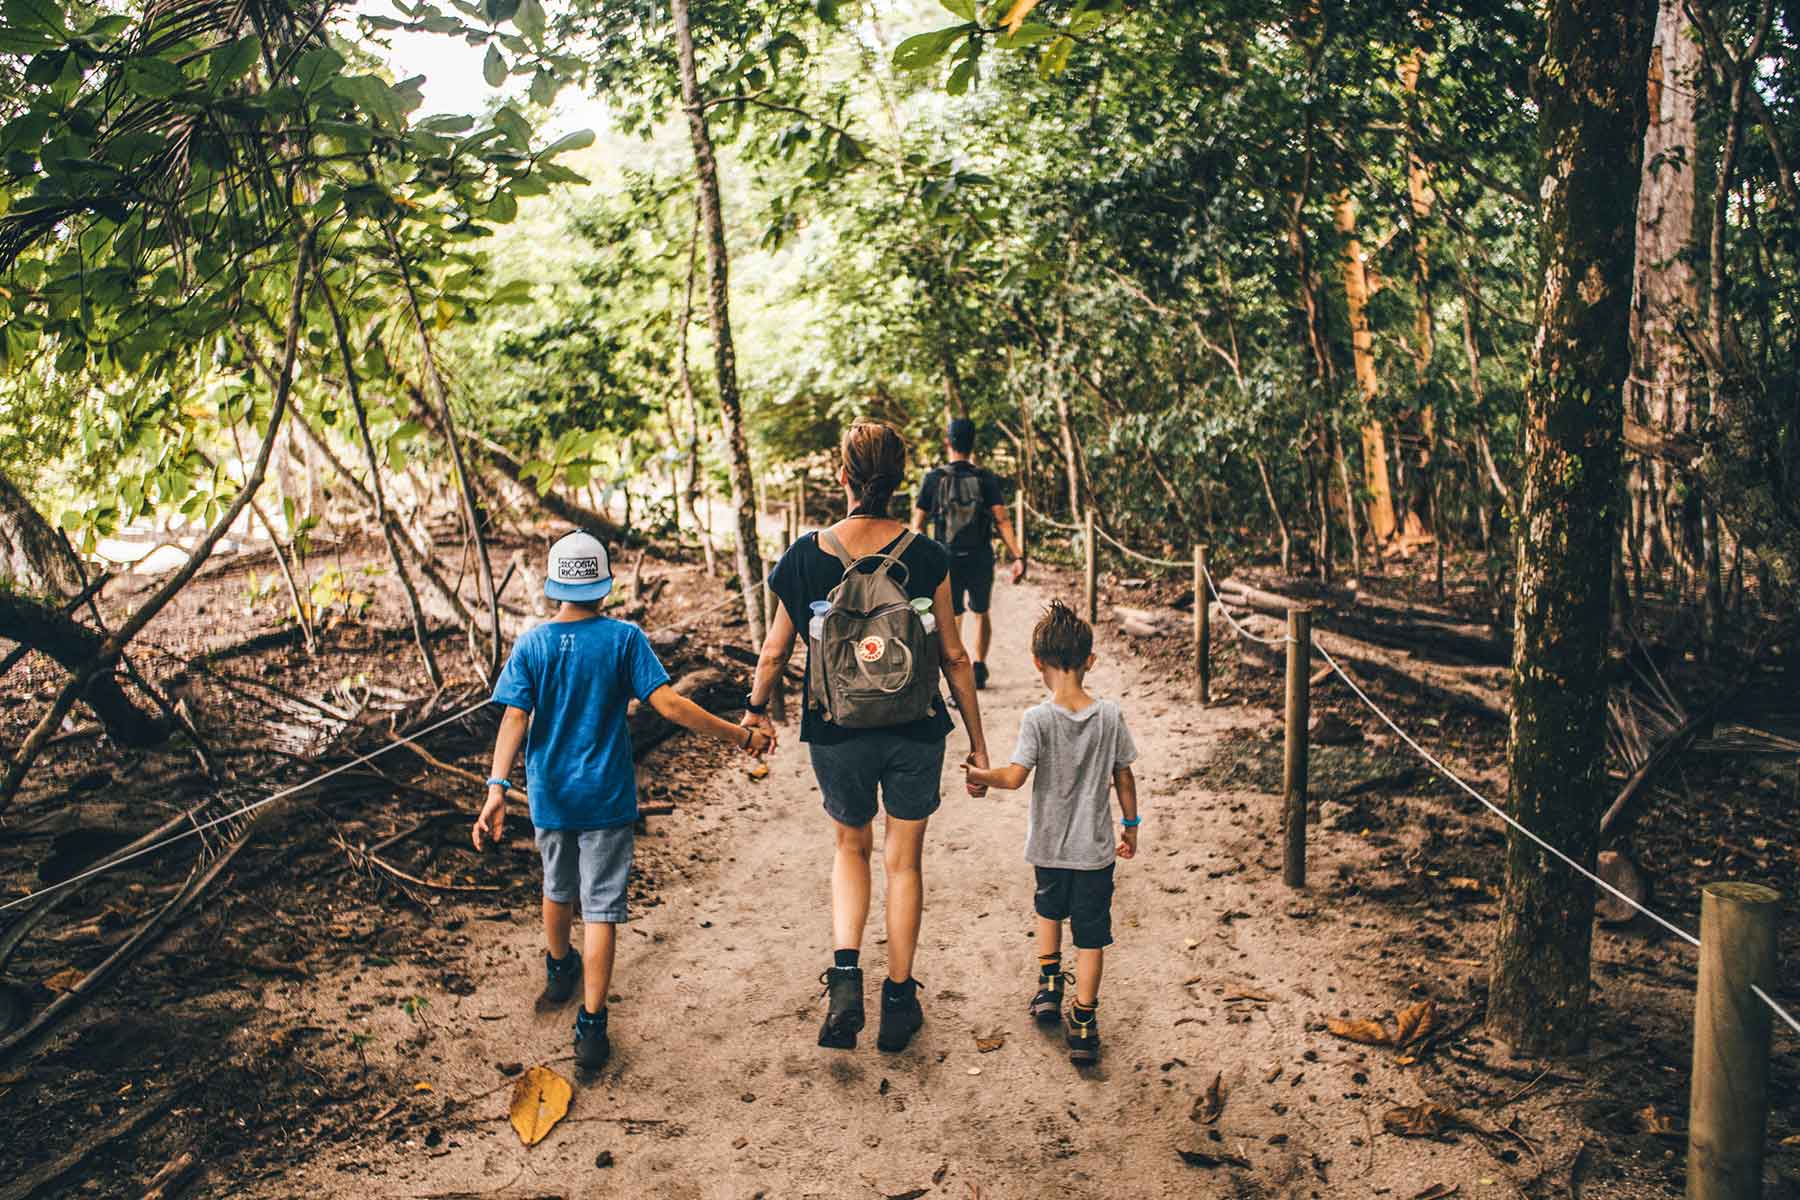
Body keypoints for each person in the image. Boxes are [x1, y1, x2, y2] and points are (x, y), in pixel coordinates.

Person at [474, 529, 772, 1072]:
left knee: (557, 885)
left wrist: (496, 789)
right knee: (601, 907)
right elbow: (670, 705)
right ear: (605, 587)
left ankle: (559, 968)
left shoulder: (533, 644)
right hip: (607, 795)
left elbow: (515, 717)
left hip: (551, 794)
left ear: (553, 586)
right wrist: (738, 734)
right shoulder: (624, 639)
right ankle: (592, 1024)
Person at [746, 419, 992, 1054]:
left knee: (850, 848)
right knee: (903, 862)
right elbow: (954, 656)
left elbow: (774, 652)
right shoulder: (927, 555)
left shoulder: (804, 556)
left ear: (843, 477)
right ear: (901, 479)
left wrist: (756, 711)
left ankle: (846, 979)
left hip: (836, 730)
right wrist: (978, 742)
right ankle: (899, 1001)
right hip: (916, 728)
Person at [964, 600, 1139, 1066]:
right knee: (1091, 936)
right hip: (1095, 852)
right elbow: (1124, 776)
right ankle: (1083, 1020)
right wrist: (1131, 826)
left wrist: (979, 776)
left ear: (1037, 662)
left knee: (1048, 909)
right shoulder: (1110, 717)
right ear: (1090, 661)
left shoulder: (1037, 719)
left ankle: (1047, 987)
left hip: (1048, 846)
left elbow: (1014, 777)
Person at [912, 417, 1026, 689]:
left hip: (945, 557)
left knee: (952, 616)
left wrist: (924, 556)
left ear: (947, 443)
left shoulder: (934, 479)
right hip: (980, 556)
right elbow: (1002, 520)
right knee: (981, 610)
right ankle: (979, 666)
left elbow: (917, 525)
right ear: (973, 444)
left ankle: (957, 669)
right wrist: (1018, 556)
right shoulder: (985, 479)